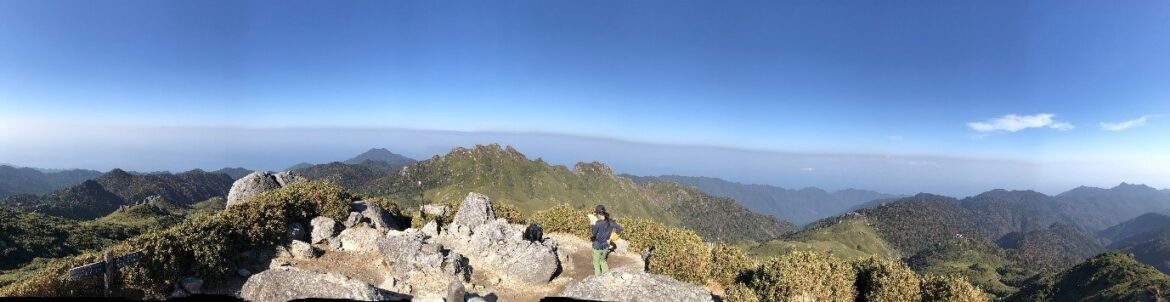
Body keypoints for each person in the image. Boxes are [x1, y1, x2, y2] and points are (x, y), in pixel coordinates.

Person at [589, 204, 623, 275]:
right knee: (603, 261)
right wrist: (612, 238)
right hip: (606, 245)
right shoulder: (610, 221)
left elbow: (594, 233)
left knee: (596, 263)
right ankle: (606, 277)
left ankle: (597, 279)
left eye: (596, 214)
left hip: (597, 246)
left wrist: (592, 225)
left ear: (598, 213)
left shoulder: (597, 223)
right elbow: (620, 228)